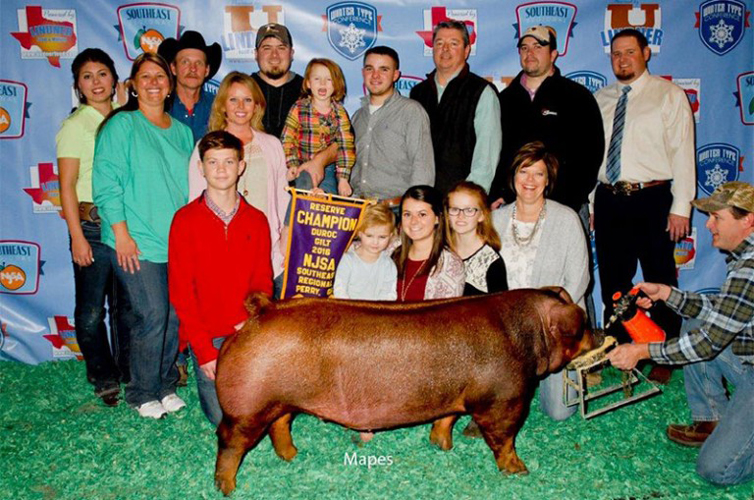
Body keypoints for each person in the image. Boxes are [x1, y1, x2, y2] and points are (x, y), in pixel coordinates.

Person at [608, 181, 754, 486]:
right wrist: (666, 293)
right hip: (748, 360)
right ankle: (713, 420)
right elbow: (720, 310)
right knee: (694, 321)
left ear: (747, 220)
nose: (709, 224)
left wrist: (641, 351)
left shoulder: (749, 269)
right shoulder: (744, 258)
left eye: (717, 217)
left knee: (716, 469)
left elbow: (708, 343)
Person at [93, 52, 194, 419]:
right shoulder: (122, 126)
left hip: (176, 242)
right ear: (133, 85)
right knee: (152, 314)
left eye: (160, 76)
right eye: (145, 76)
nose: (153, 83)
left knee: (174, 316)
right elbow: (106, 184)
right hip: (135, 240)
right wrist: (120, 233)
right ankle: (141, 392)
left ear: (170, 85)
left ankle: (165, 384)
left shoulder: (183, 132)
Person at [593, 29, 695, 383]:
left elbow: (683, 152)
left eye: (630, 52)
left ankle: (665, 352)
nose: (622, 59)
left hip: (652, 197)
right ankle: (620, 348)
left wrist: (681, 206)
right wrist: (592, 202)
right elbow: (594, 156)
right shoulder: (601, 99)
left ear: (646, 53)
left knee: (660, 277)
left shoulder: (669, 95)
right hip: (609, 197)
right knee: (613, 281)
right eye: (616, 53)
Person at [169, 131, 273, 427]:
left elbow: (263, 282)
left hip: (246, 330)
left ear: (241, 166)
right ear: (200, 168)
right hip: (209, 336)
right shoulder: (184, 221)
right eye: (212, 162)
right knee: (224, 421)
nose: (221, 169)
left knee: (255, 416)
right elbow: (181, 293)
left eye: (229, 161)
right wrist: (204, 352)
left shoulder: (257, 220)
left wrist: (251, 323)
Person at [492, 141, 589, 421]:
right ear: (513, 176)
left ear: (548, 181)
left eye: (539, 173)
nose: (530, 180)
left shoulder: (567, 219)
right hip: (506, 326)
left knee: (559, 412)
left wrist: (548, 322)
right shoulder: (495, 219)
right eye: (524, 171)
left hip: (553, 328)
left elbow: (578, 279)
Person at [56, 48, 131, 407]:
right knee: (89, 312)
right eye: (87, 76)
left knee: (127, 308)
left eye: (102, 74)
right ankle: (103, 375)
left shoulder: (126, 118)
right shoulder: (74, 126)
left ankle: (129, 371)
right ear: (78, 86)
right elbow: (66, 186)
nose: (96, 82)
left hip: (125, 225)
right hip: (90, 227)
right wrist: (76, 236)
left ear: (114, 80)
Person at [187, 72, 289, 297]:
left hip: (269, 250)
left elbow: (283, 197)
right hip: (220, 251)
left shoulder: (272, 145)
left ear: (256, 106)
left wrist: (286, 238)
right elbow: (195, 200)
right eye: (233, 99)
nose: (241, 106)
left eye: (247, 99)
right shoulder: (205, 147)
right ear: (223, 105)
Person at [490, 26, 604, 215]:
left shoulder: (577, 97)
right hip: (513, 207)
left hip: (565, 208)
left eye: (538, 47)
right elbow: (494, 153)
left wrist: (569, 201)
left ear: (553, 55)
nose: (530, 53)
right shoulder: (504, 100)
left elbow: (590, 155)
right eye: (525, 48)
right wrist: (500, 193)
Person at [409, 20, 501, 194]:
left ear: (466, 51)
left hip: (462, 199)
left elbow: (486, 158)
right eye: (439, 43)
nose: (445, 49)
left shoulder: (481, 92)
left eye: (453, 44)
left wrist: (468, 198)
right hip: (423, 198)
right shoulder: (418, 93)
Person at [350, 46, 434, 211]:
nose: (375, 75)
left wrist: (414, 211)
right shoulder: (357, 117)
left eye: (384, 69)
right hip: (359, 208)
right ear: (363, 73)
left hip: (395, 209)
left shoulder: (411, 112)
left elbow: (422, 166)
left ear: (395, 75)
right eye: (370, 69)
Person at [281, 58, 355, 196]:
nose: (322, 83)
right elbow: (287, 139)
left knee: (329, 194)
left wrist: (343, 179)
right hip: (302, 164)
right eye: (317, 79)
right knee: (303, 189)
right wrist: (292, 164)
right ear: (308, 83)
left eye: (328, 79)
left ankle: (322, 196)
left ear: (336, 84)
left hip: (328, 168)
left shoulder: (340, 113)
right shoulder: (298, 108)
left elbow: (345, 146)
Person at [394, 185, 465, 301]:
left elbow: (446, 311)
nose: (413, 221)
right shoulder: (389, 251)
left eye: (422, 214)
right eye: (407, 214)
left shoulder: (451, 265)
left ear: (437, 218)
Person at [444, 181, 507, 296]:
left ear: (481, 215)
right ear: (447, 214)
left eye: (469, 210)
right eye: (455, 209)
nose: (460, 216)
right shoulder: (440, 251)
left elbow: (501, 305)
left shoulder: (491, 262)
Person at [158, 30, 222, 143]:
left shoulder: (219, 107)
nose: (193, 68)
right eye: (185, 62)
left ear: (207, 70)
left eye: (199, 63)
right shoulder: (160, 107)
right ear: (173, 68)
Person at [333, 203, 397, 301]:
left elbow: (389, 295)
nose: (375, 242)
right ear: (360, 233)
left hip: (376, 310)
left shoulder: (388, 265)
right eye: (369, 236)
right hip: (349, 308)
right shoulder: (347, 260)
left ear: (390, 236)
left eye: (382, 237)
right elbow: (340, 291)